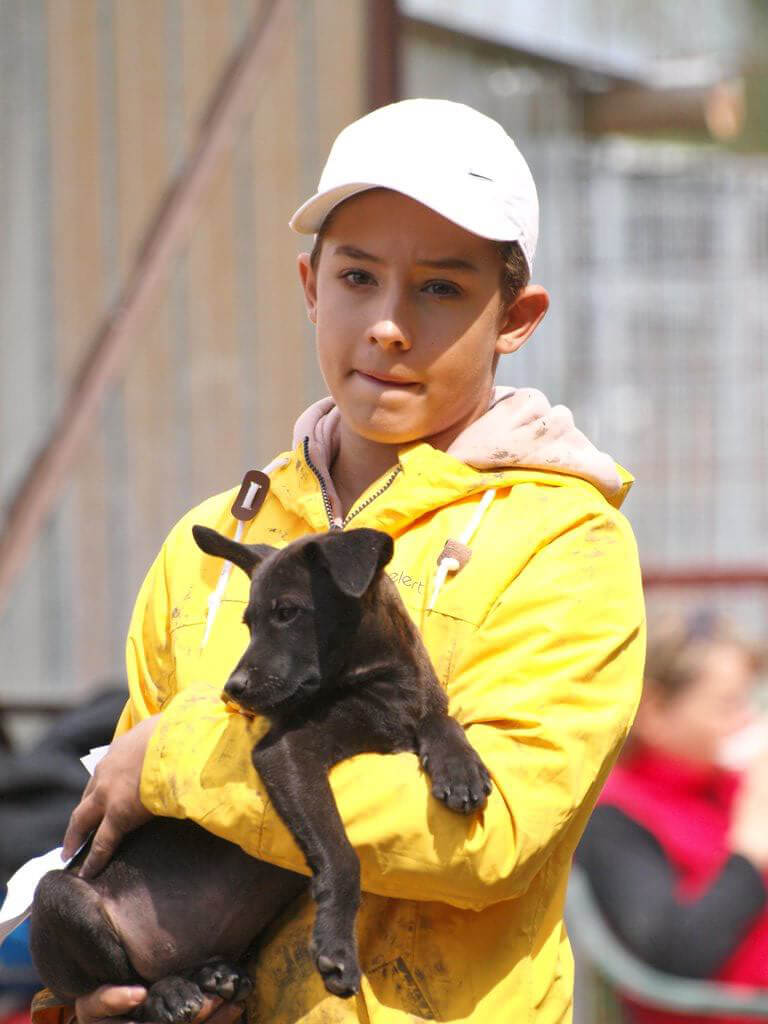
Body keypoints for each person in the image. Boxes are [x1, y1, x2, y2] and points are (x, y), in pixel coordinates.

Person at [32, 98, 645, 1024]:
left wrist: (179, 756)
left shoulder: (561, 542)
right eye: (358, 276)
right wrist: (89, 1006)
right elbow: (122, 831)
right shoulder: (212, 544)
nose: (388, 325)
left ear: (516, 319)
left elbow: (489, 834)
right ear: (312, 286)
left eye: (441, 288)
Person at [576, 610, 768, 1024]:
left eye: (747, 701)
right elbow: (671, 953)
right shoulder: (616, 814)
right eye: (727, 705)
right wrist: (749, 854)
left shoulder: (730, 785)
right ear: (655, 710)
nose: (746, 720)